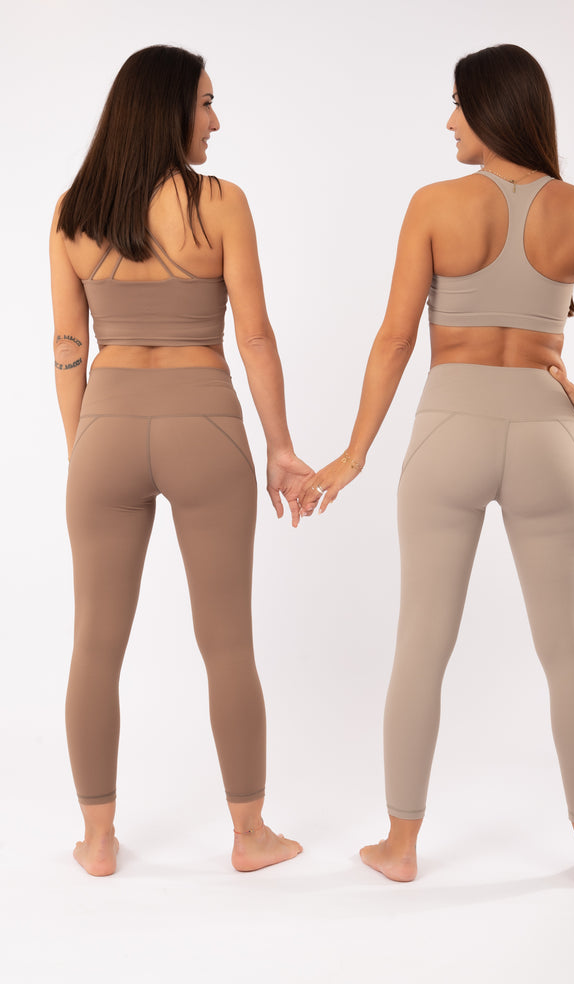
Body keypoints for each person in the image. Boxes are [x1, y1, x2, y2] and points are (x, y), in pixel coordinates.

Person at [303, 44, 574, 884]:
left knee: (421, 644)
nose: (449, 121)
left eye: (458, 105)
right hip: (546, 433)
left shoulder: (435, 204)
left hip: (450, 430)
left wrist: (356, 452)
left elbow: (395, 337)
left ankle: (400, 847)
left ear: (490, 108)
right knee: (570, 648)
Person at [51, 45, 309, 876]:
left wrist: (83, 449)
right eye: (204, 103)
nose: (215, 120)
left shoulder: (72, 212)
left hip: (107, 426)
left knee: (94, 643)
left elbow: (68, 347)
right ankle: (250, 836)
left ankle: (97, 839)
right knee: (227, 641)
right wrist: (280, 446)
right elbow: (255, 336)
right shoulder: (222, 204)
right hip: (205, 425)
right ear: (167, 109)